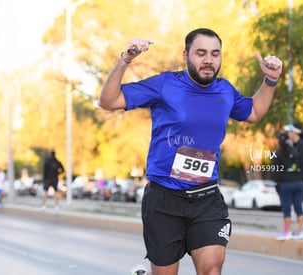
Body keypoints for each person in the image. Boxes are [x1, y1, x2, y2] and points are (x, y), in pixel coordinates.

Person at [98, 28, 282, 275]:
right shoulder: (165, 85)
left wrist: (270, 80)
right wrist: (125, 60)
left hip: (206, 198)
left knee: (212, 270)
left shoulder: (224, 91)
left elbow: (254, 112)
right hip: (164, 199)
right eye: (201, 53)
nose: (209, 60)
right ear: (186, 55)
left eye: (215, 54)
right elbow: (108, 101)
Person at [272, 133, 303, 240]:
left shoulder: (278, 154)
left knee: (286, 209)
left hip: (286, 184)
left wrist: (277, 182)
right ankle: (301, 231)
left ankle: (287, 232)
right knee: (299, 207)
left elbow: (275, 172)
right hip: (299, 183)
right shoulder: (296, 152)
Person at [284, 122, 303, 236]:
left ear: (296, 133)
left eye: (290, 131)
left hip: (302, 179)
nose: (289, 133)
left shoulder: (302, 145)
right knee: (298, 204)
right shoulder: (295, 145)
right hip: (296, 179)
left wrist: (302, 177)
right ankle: (301, 229)